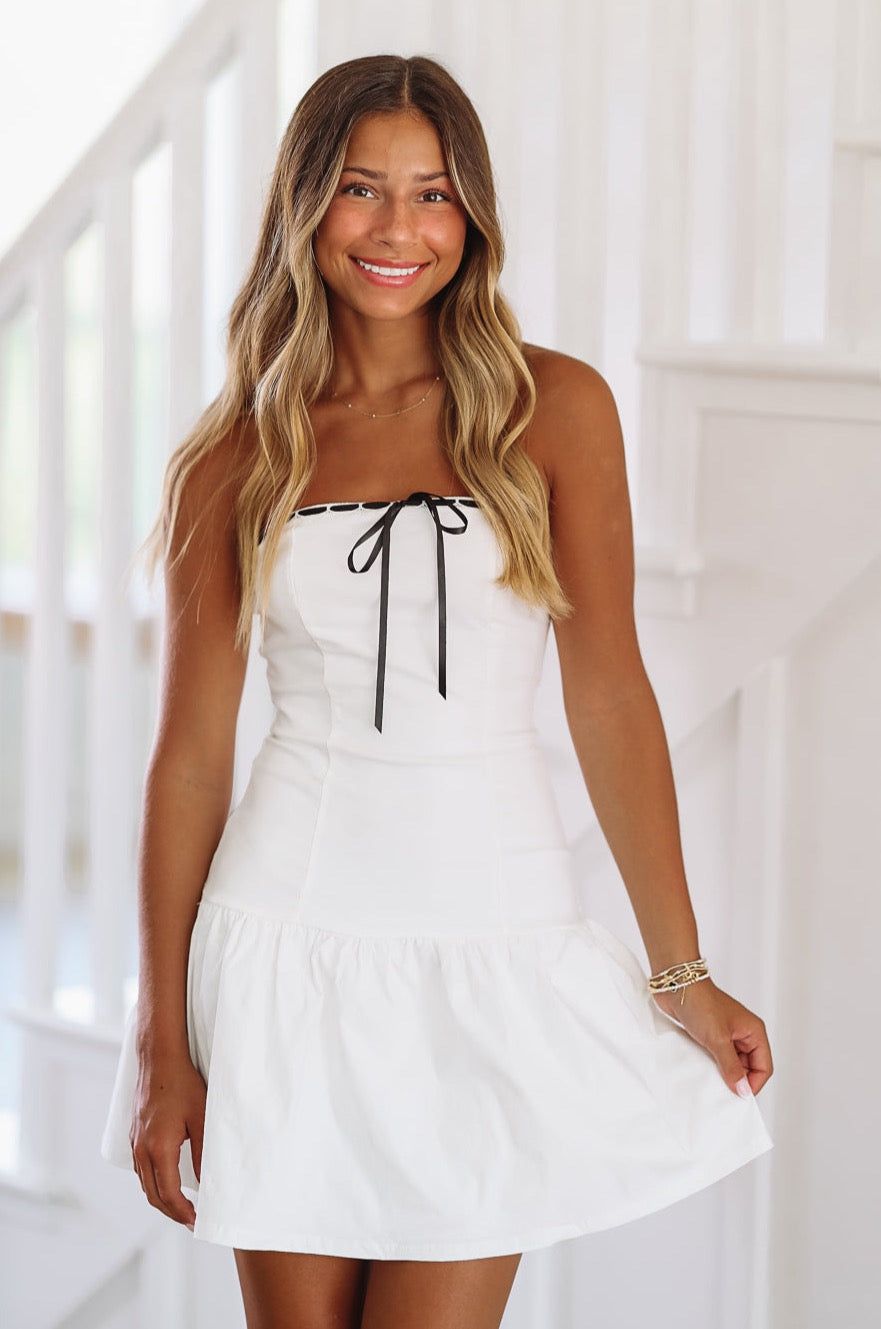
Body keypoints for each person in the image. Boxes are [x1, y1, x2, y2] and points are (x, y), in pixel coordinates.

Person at [100, 53, 774, 1329]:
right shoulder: (234, 456)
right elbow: (188, 758)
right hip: (282, 950)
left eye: (433, 194)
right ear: (306, 205)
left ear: (472, 216)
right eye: (361, 189)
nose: (396, 229)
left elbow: (609, 698)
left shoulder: (553, 408)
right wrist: (160, 1042)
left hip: (492, 946)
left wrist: (677, 971)